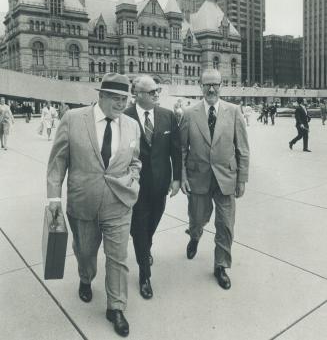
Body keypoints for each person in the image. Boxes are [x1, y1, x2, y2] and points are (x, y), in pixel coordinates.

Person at [47, 73, 142, 337]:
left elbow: (135, 160)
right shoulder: (73, 119)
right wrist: (54, 202)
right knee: (85, 252)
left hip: (119, 203)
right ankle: (86, 278)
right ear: (100, 96)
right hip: (83, 202)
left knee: (118, 258)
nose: (121, 104)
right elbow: (57, 165)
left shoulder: (132, 125)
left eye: (125, 98)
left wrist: (133, 179)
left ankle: (116, 307)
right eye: (115, 98)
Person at [180, 69, 249, 290]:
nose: (211, 89)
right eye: (207, 85)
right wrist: (181, 176)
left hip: (226, 178)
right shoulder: (189, 114)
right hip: (197, 177)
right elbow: (181, 150)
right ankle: (195, 235)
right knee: (197, 218)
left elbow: (243, 149)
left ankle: (221, 266)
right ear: (200, 86)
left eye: (215, 85)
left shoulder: (234, 111)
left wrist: (242, 179)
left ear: (221, 86)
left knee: (225, 224)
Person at [124, 75, 181, 300]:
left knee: (152, 223)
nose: (157, 94)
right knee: (139, 226)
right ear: (137, 94)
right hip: (135, 185)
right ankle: (144, 275)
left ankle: (145, 245)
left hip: (160, 184)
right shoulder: (125, 117)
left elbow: (175, 151)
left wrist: (177, 178)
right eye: (151, 92)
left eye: (158, 90)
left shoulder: (167, 116)